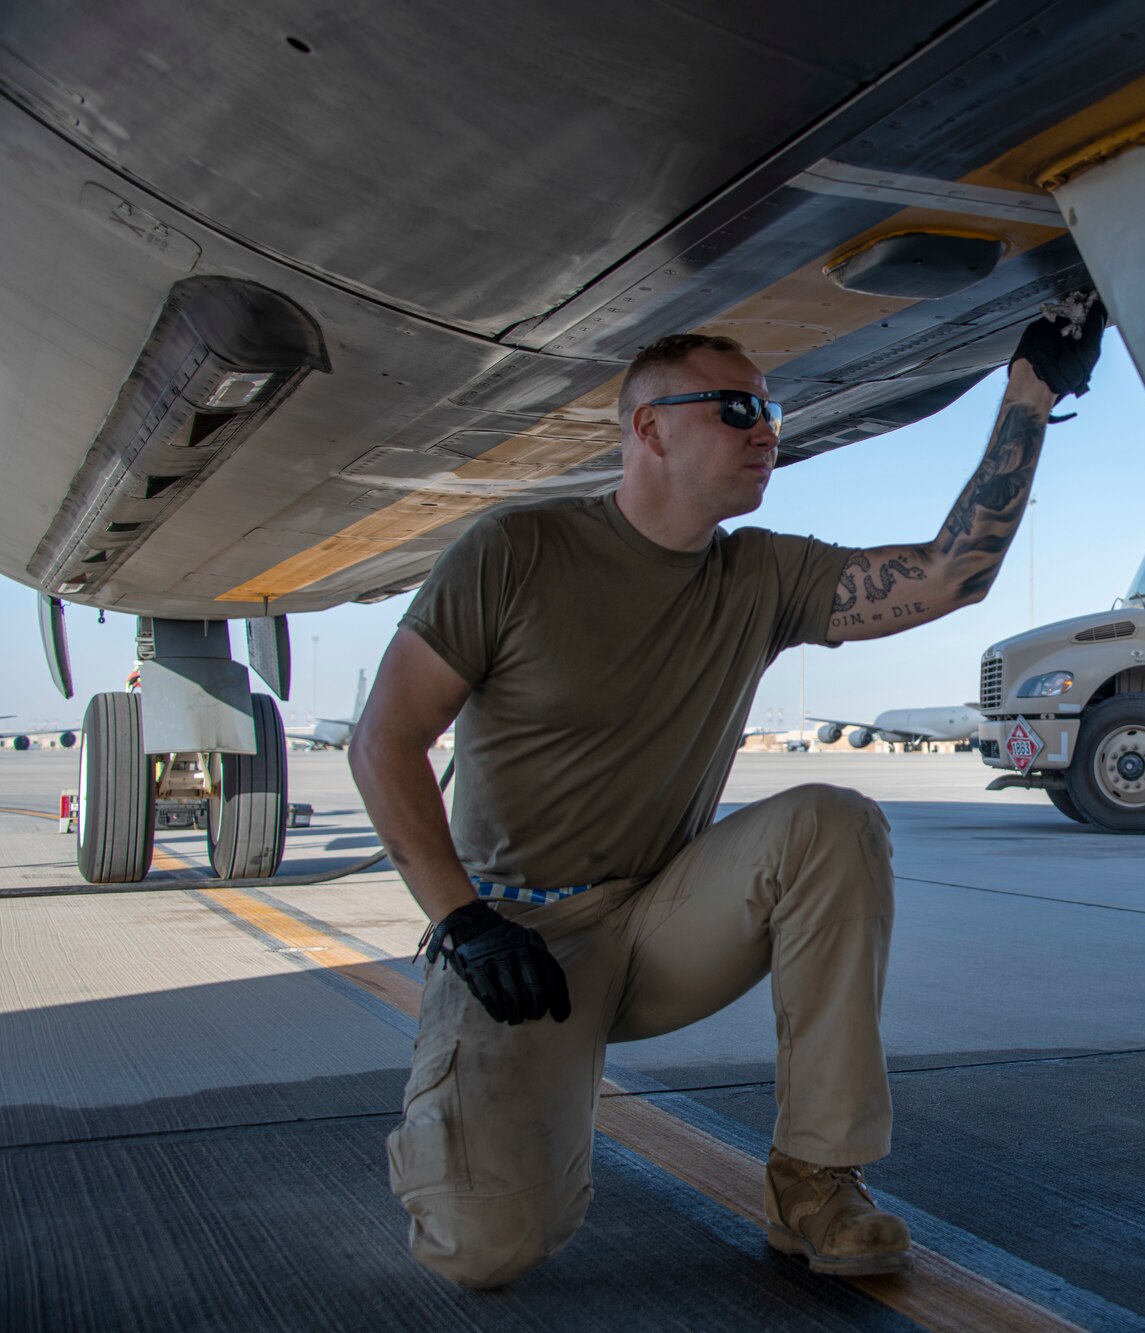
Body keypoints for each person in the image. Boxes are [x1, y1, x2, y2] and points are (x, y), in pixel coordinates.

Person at [348, 294, 1106, 1288]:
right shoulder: (514, 554)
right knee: (481, 1249)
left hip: (666, 924)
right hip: (517, 948)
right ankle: (461, 1119)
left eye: (772, 412)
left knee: (832, 823)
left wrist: (1028, 399)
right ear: (649, 427)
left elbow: (947, 574)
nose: (768, 434)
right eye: (737, 410)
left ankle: (815, 1180)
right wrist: (460, 920)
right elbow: (386, 740)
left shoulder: (760, 574)